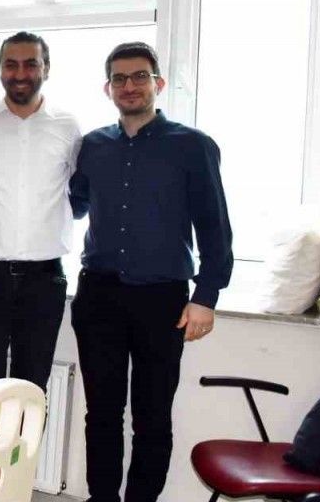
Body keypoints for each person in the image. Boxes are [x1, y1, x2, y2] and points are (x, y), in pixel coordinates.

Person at [69, 41, 232, 502]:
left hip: (162, 300)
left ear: (157, 83)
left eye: (140, 76)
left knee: (152, 415)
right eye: (119, 78)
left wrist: (206, 297)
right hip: (99, 295)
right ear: (108, 89)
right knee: (101, 413)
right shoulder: (92, 146)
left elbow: (215, 228)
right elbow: (71, 207)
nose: (130, 86)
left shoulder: (192, 146)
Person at [0, 31, 81, 390]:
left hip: (43, 281)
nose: (20, 73)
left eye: (30, 64)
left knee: (31, 388)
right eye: (11, 65)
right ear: (0, 69)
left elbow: (79, 191)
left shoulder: (67, 126)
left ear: (46, 68)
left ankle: (25, 434)